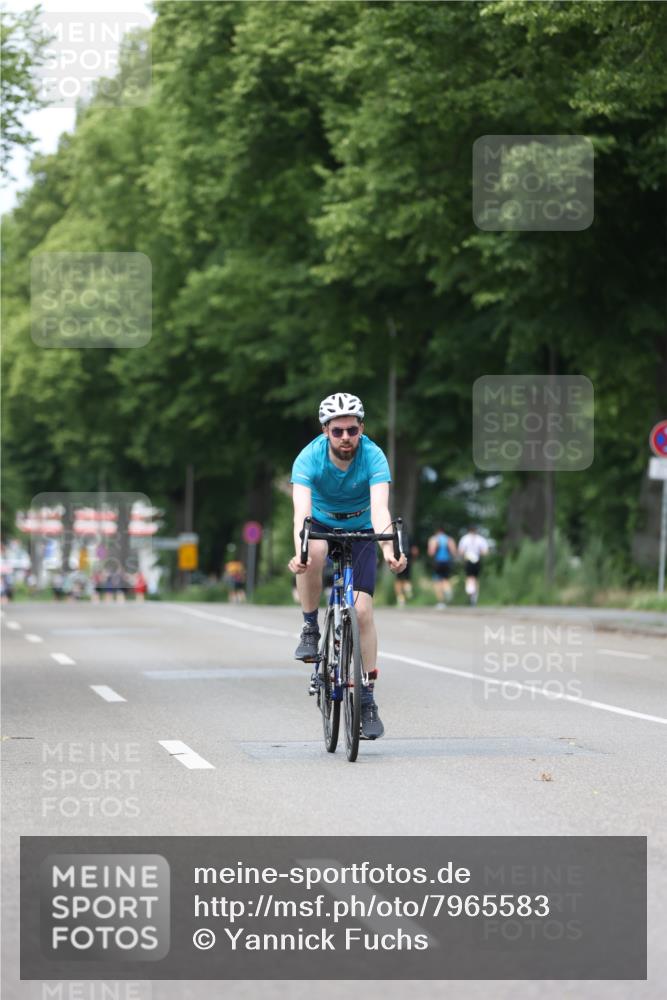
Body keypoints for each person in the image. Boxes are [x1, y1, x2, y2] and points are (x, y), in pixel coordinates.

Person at [288, 392, 407, 740]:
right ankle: (310, 627)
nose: (345, 438)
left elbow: (380, 509)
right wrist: (300, 553)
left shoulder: (373, 456)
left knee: (363, 611)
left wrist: (390, 550)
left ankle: (367, 698)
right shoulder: (308, 458)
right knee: (314, 552)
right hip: (320, 524)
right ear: (325, 431)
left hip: (361, 528)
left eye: (352, 431)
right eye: (337, 431)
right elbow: (301, 515)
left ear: (361, 429)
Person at [458, 526, 489, 606]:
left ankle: (470, 595)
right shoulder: (480, 539)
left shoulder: (464, 539)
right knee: (475, 578)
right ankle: (474, 597)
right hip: (477, 560)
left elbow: (461, 551)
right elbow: (485, 552)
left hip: (468, 560)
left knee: (469, 578)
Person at [427, 527, 457, 608]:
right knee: (446, 579)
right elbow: (454, 552)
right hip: (447, 561)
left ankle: (441, 602)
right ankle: (448, 590)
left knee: (438, 581)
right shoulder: (449, 539)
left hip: (438, 561)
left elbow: (431, 552)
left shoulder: (434, 539)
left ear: (436, 531)